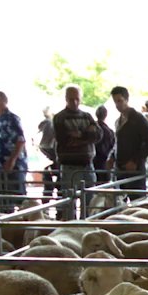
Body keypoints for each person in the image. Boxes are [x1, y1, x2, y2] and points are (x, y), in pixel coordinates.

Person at [51, 86, 100, 214]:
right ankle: (70, 225)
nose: (74, 102)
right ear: (66, 99)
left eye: (77, 99)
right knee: (69, 200)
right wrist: (87, 135)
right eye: (71, 99)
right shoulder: (60, 118)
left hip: (87, 165)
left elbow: (98, 135)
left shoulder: (87, 116)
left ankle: (88, 223)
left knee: (90, 199)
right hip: (69, 166)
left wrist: (80, 136)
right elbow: (64, 139)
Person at [111, 86, 148, 193]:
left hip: (135, 170)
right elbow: (117, 143)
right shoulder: (118, 121)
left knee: (138, 202)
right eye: (115, 102)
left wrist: (135, 160)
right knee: (121, 203)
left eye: (120, 101)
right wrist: (112, 156)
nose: (117, 105)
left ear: (126, 100)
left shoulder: (138, 118)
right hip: (120, 169)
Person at [0, 91, 27, 212]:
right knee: (3, 197)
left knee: (17, 196)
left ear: (2, 101)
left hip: (13, 165)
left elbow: (20, 140)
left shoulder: (12, 118)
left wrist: (12, 160)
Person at [94, 105, 116, 175]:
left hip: (92, 162)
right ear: (106, 115)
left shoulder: (91, 129)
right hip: (105, 162)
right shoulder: (110, 132)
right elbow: (113, 146)